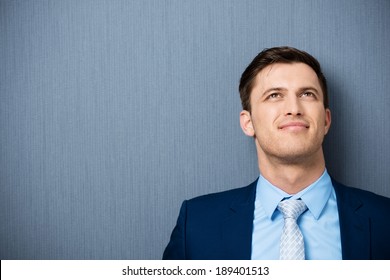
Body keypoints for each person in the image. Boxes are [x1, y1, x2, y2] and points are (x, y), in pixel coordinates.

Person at [162, 46, 390, 260]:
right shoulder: (196, 225)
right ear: (248, 123)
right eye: (274, 95)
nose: (293, 108)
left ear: (326, 121)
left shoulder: (384, 220)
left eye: (307, 94)